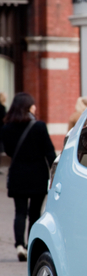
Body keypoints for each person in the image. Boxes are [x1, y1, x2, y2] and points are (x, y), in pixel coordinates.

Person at [1, 93, 56, 261]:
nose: (35, 107)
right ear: (28, 106)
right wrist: (55, 171)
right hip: (37, 174)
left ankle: (19, 245)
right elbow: (49, 152)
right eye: (33, 104)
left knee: (20, 212)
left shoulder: (7, 128)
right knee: (34, 213)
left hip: (17, 174)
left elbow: (8, 151)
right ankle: (31, 245)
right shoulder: (39, 126)